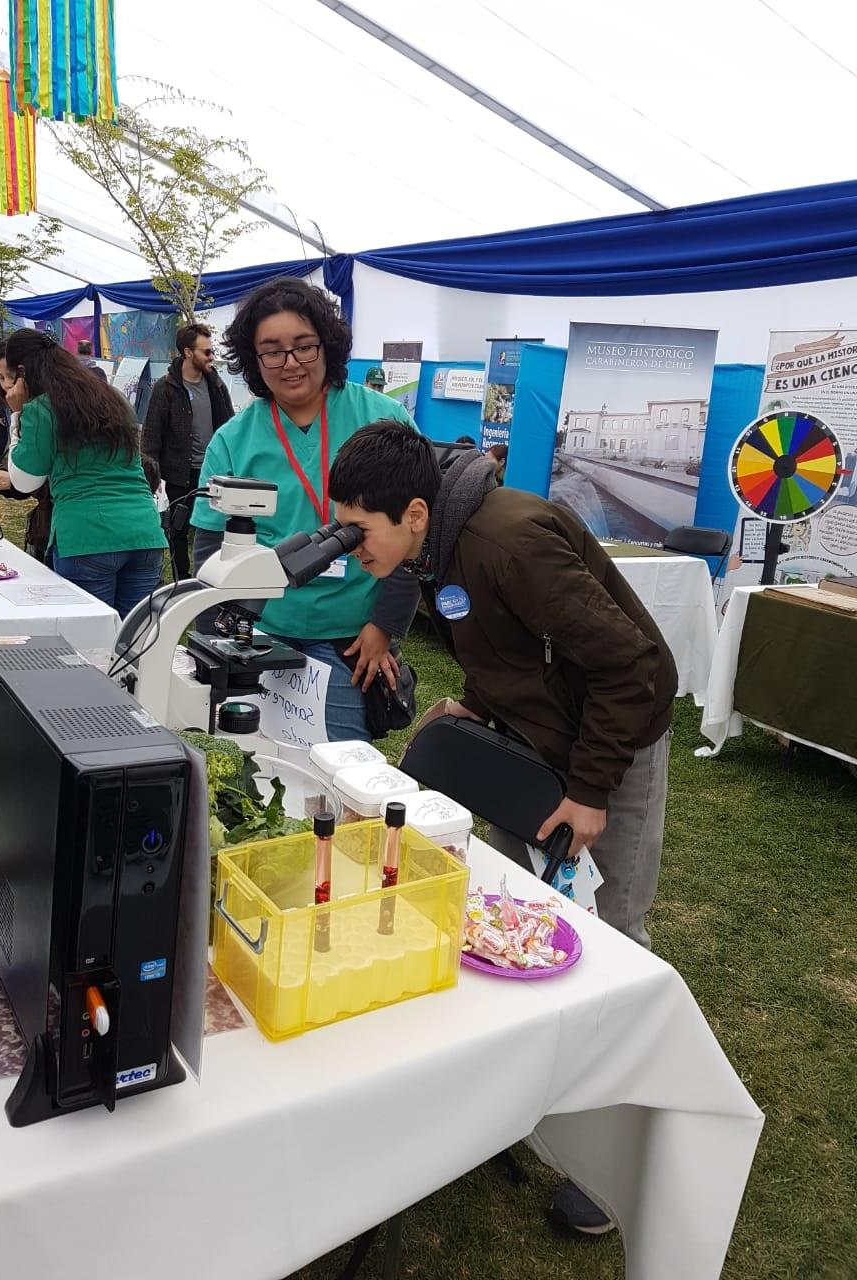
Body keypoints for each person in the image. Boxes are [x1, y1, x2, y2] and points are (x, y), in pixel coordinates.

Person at [329, 421, 677, 1229]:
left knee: (612, 935)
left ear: (415, 511)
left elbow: (629, 666)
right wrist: (478, 705)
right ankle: (532, 1099)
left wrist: (591, 791)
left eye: (360, 532)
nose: (351, 550)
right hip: (538, 738)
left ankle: (617, 1161)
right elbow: (514, 645)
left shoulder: (510, 540)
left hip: (608, 746)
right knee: (522, 920)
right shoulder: (436, 548)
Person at [189, 278, 419, 741]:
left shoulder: (384, 421)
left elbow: (416, 536)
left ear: (326, 345)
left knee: (338, 775)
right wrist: (218, 642)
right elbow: (208, 549)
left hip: (352, 636)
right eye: (271, 351)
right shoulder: (233, 441)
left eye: (303, 346)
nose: (290, 363)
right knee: (251, 769)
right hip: (263, 635)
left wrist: (384, 626)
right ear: (254, 360)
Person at [0, 330, 166, 616]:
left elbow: (25, 480)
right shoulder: (111, 396)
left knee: (88, 645)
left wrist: (17, 415)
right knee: (136, 644)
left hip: (87, 536)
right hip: (144, 532)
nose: (5, 386)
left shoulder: (40, 408)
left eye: (7, 377)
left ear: (23, 374)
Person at [143, 322, 234, 580]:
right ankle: (182, 582)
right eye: (206, 352)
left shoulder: (216, 384)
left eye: (212, 351)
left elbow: (229, 426)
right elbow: (151, 435)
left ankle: (212, 580)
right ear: (187, 352)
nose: (212, 356)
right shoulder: (165, 388)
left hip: (213, 475)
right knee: (178, 530)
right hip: (178, 475)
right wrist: (153, 476)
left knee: (215, 529)